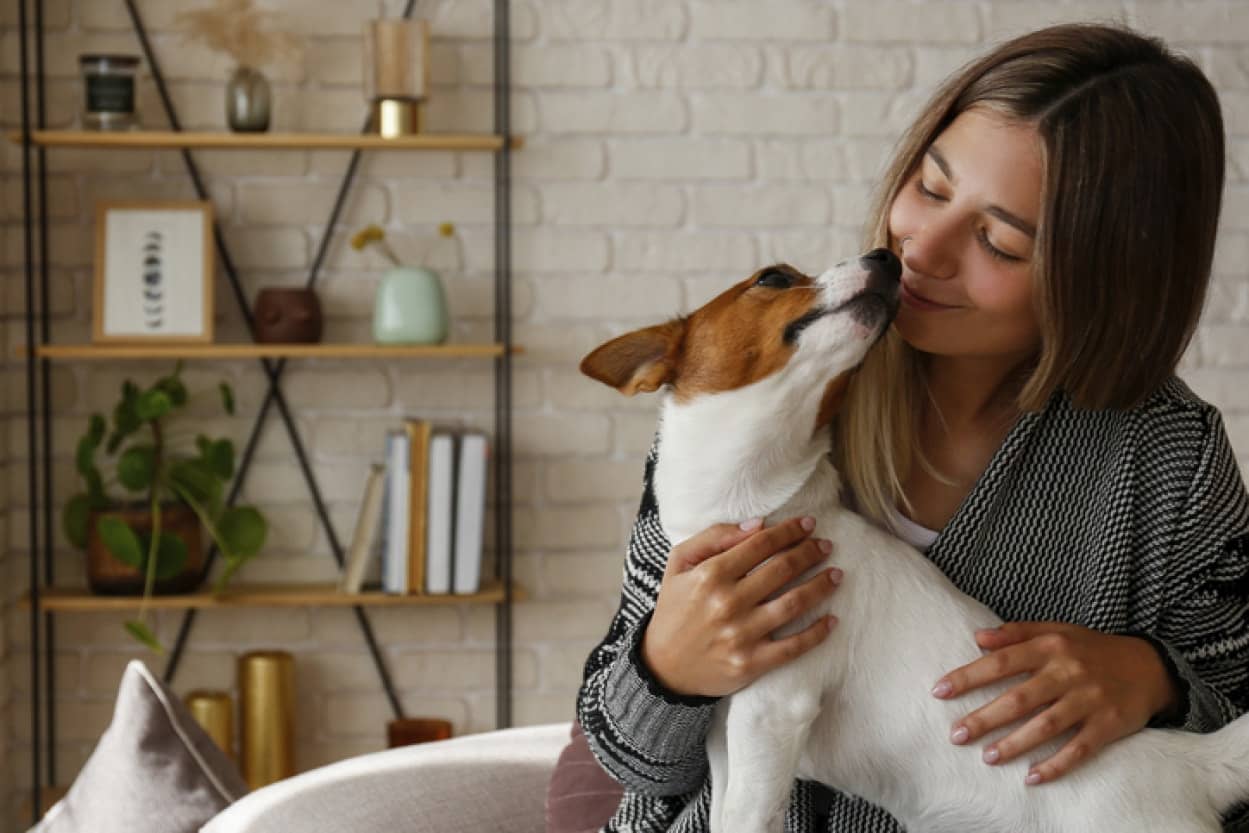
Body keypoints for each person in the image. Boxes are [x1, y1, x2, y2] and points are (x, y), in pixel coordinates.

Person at [575, 22, 1249, 833]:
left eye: (997, 240)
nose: (921, 248)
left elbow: (1230, 700)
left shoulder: (1167, 455)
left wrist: (1156, 678)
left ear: (1098, 281)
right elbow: (624, 756)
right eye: (929, 189)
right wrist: (668, 669)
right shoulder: (766, 390)